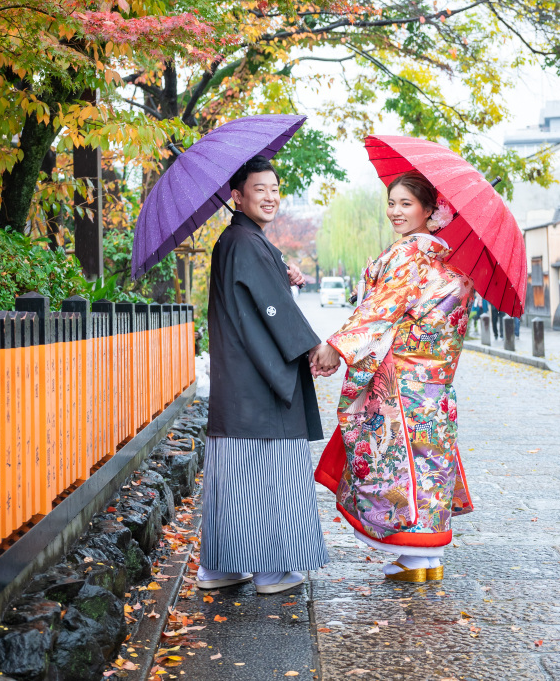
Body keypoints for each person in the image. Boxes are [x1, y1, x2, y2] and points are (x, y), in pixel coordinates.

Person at [311, 171, 475, 583]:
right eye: (392, 202)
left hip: (401, 381)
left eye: (406, 203)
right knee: (428, 465)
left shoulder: (409, 254)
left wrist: (339, 345)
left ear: (428, 209)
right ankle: (425, 561)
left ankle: (409, 556)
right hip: (435, 385)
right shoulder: (449, 261)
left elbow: (381, 310)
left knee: (398, 466)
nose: (396, 212)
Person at [197, 154, 331, 596]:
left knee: (232, 477)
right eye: (260, 189)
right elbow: (272, 311)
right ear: (237, 196)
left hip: (239, 382)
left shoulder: (239, 241)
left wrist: (280, 271)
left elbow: (261, 298)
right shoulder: (246, 243)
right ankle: (271, 570)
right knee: (267, 473)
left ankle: (220, 567)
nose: (271, 197)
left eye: (275, 189)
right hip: (258, 384)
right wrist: (314, 345)